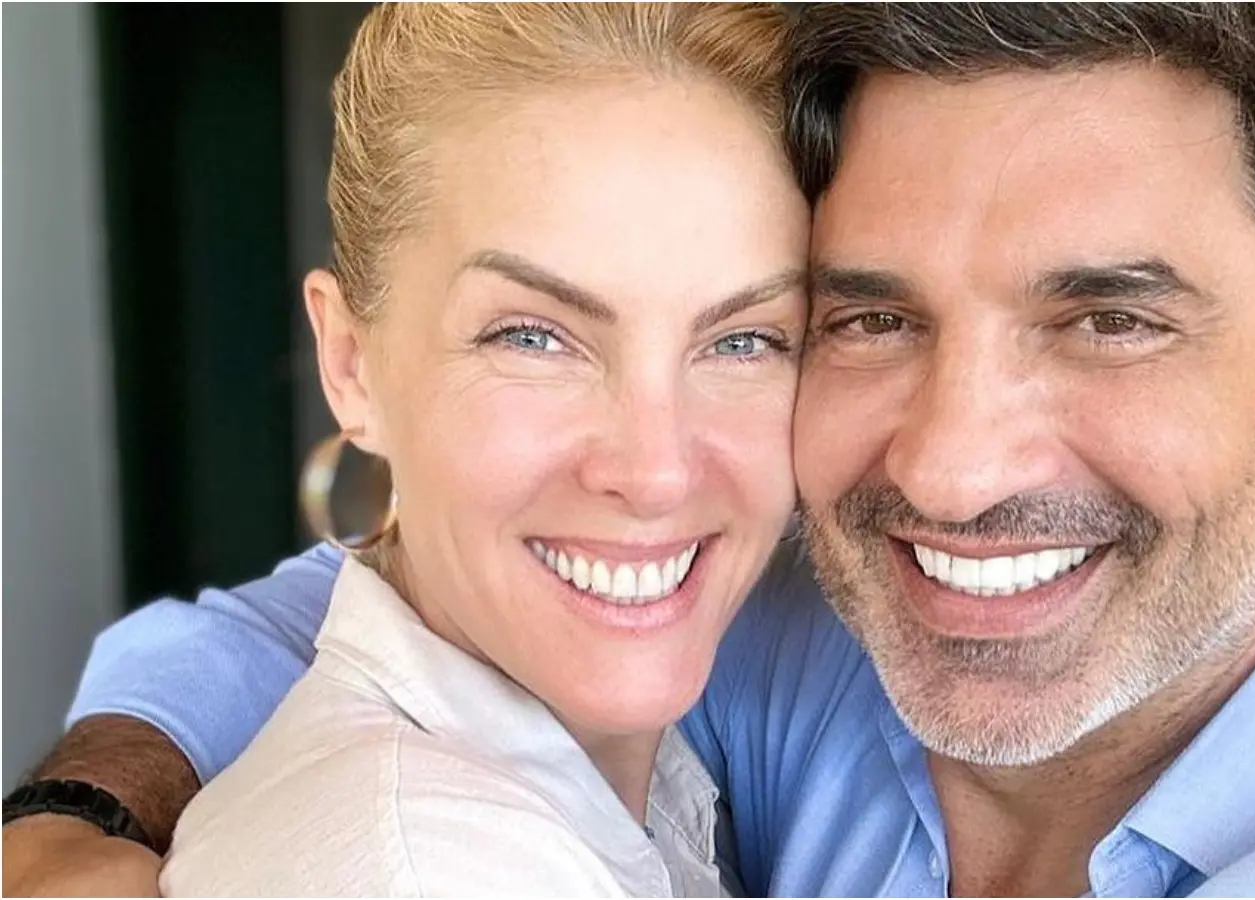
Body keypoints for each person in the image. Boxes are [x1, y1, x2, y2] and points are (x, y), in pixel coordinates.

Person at [6, 4, 1255, 898]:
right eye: (867, 319)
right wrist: (89, 812)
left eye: (1109, 319)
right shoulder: (801, 632)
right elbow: (395, 606)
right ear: (350, 358)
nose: (954, 473)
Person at [15, 3, 808, 896]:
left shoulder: (623, 780)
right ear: (350, 365)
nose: (656, 471)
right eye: (531, 338)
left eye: (745, 340)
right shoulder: (433, 867)